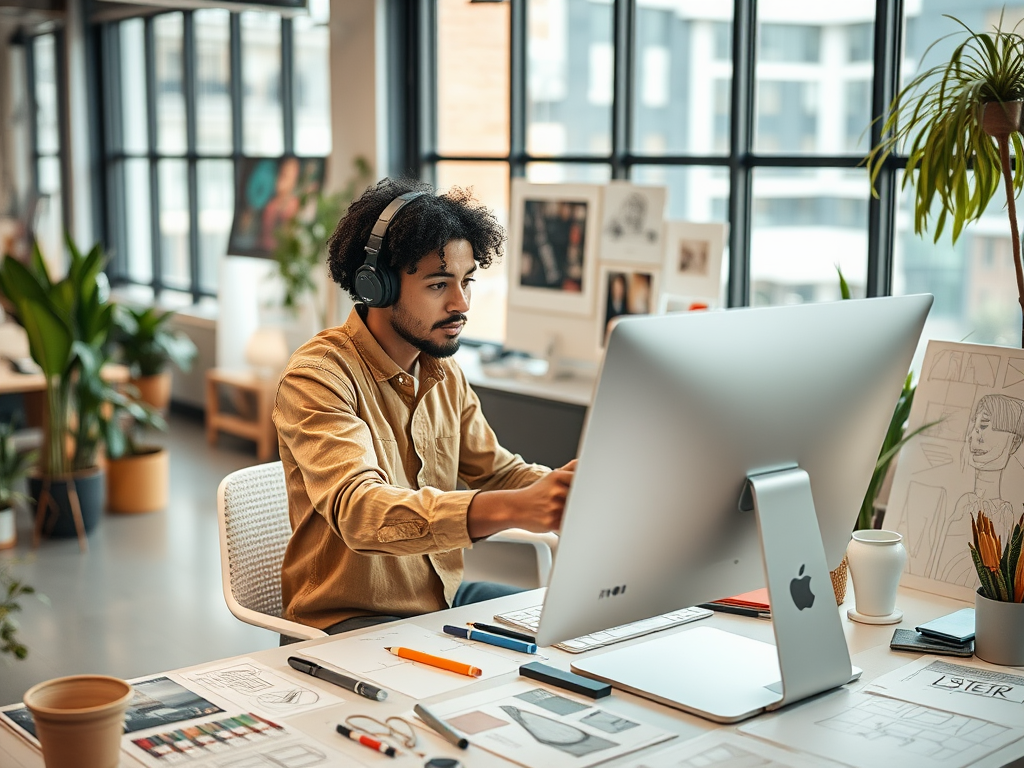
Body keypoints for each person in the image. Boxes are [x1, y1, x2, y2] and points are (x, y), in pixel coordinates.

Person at [273, 177, 576, 636]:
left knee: (571, 626)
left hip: (442, 600)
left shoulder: (441, 370)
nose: (461, 304)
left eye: (467, 281)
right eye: (439, 285)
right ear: (377, 286)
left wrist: (572, 493)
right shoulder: (318, 377)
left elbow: (496, 472)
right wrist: (515, 509)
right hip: (350, 621)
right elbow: (362, 512)